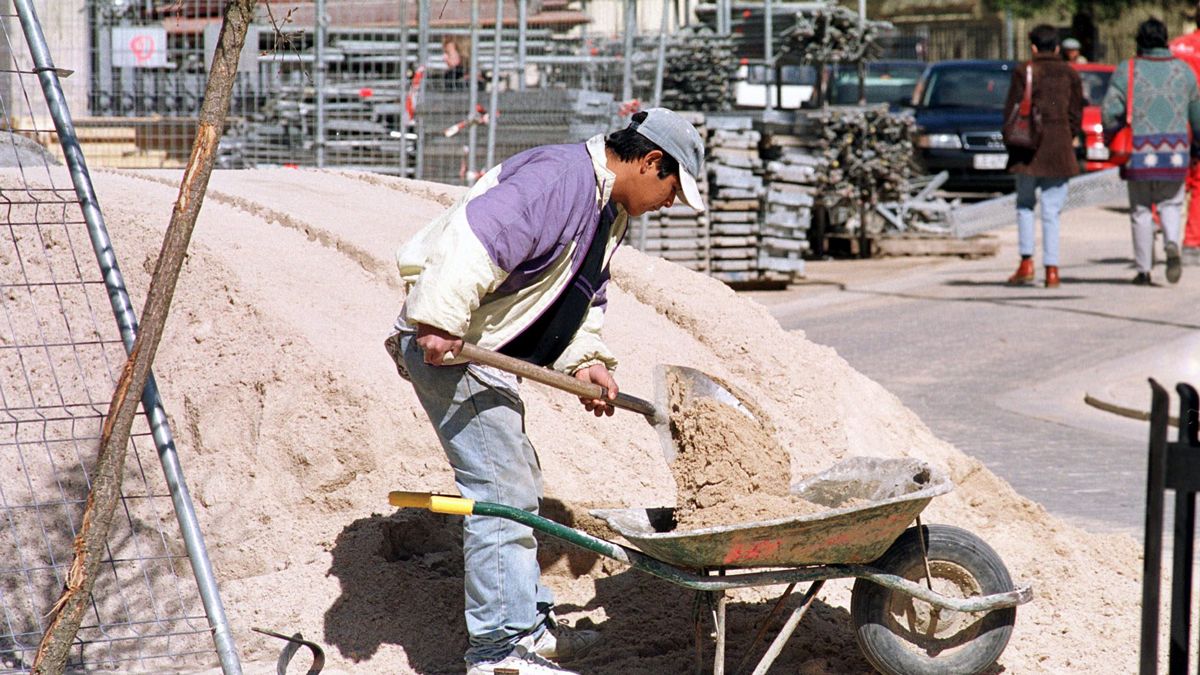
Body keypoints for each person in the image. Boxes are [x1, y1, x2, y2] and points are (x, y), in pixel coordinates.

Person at [384, 108, 706, 675]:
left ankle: (525, 627)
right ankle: (499, 652)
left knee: (518, 481)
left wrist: (587, 362)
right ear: (651, 162)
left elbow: (580, 292)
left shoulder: (607, 210)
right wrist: (437, 315)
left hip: (490, 355)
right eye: (673, 191)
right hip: (455, 348)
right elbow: (477, 238)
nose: (669, 204)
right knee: (502, 488)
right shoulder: (561, 180)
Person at [1102, 18, 1200, 285]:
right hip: (1177, 151)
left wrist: (1112, 134)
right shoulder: (1183, 71)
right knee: (1172, 204)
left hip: (1138, 151)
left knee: (1141, 210)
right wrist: (1197, 146)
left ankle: (1144, 271)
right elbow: (1197, 114)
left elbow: (1110, 111)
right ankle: (1171, 242)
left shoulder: (1128, 69)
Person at [1003, 25, 1084, 288]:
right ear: (1058, 48)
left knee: (1025, 205)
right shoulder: (1070, 74)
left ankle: (1026, 262)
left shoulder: (1024, 70)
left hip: (1027, 150)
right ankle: (1052, 269)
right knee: (1052, 210)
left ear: (1033, 47)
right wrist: (1067, 135)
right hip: (1059, 149)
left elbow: (1011, 111)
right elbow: (1075, 115)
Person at [1171, 2, 1200, 264]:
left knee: (1173, 177)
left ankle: (1160, 221)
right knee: (1199, 184)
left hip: (1174, 122)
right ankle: (1191, 243)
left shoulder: (1176, 45)